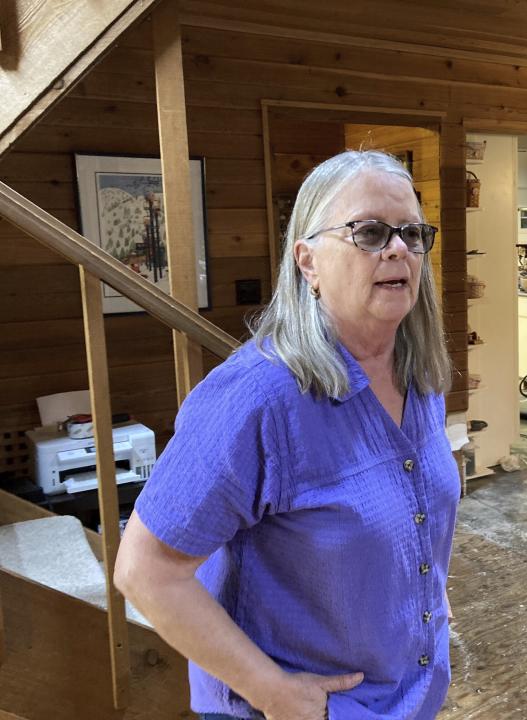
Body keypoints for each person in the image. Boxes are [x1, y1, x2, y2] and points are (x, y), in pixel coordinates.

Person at [115, 150, 460, 720]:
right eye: (370, 232)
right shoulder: (255, 399)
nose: (398, 248)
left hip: (406, 699)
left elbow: (416, 512)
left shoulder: (419, 376)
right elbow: (145, 570)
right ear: (307, 262)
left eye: (412, 234)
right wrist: (273, 691)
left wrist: (425, 594)